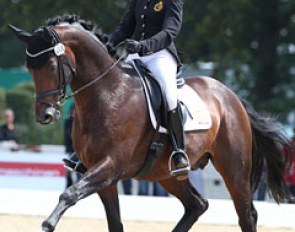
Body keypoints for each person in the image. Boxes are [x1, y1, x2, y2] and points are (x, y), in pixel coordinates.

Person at [109, 0, 190, 178]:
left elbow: (170, 31)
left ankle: (178, 152)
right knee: (109, 88)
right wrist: (107, 44)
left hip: (160, 54)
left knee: (169, 97)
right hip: (135, 54)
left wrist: (144, 45)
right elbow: (125, 27)